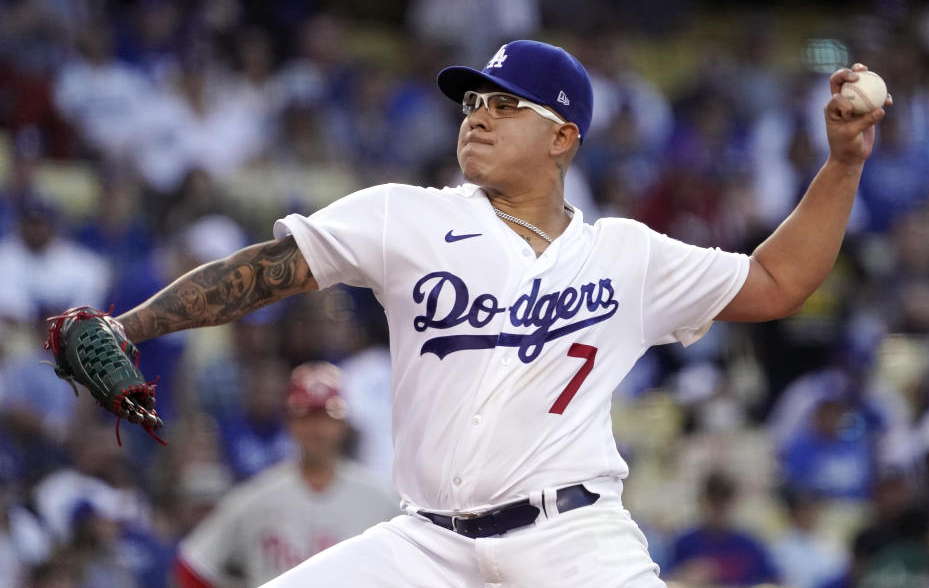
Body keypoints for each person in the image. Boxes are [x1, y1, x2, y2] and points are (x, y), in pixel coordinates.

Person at [104, 39, 888, 586]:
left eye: (505, 105)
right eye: (473, 100)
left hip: (573, 541)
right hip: (425, 545)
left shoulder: (626, 254)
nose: (476, 114)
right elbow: (267, 270)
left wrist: (844, 163)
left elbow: (779, 281)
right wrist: (126, 329)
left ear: (563, 137)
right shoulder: (404, 216)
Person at [172, 362, 397, 587]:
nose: (316, 429)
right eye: (305, 417)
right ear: (289, 422)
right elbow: (192, 565)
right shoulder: (256, 496)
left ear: (344, 424)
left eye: (325, 417)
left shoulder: (381, 498)